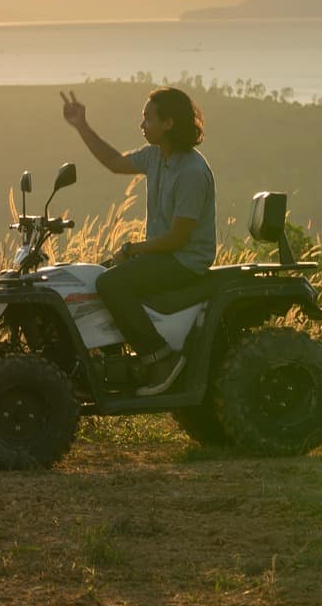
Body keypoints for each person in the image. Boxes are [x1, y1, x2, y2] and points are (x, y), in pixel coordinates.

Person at [60, 86, 215, 395]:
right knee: (95, 276)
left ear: (169, 123)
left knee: (110, 283)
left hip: (185, 260)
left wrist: (131, 249)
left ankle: (160, 357)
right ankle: (104, 365)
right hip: (162, 255)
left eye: (148, 118)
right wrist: (81, 125)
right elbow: (115, 162)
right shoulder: (155, 156)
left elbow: (178, 239)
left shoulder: (192, 172)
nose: (141, 124)